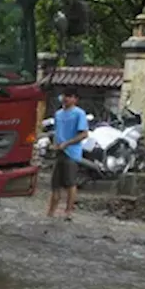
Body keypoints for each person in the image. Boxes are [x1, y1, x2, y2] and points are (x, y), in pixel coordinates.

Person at [48, 87, 89, 220]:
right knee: (55, 183)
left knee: (70, 183)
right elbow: (57, 132)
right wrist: (55, 145)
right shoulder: (58, 114)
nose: (66, 98)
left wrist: (67, 143)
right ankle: (51, 212)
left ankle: (68, 212)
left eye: (70, 96)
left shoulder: (79, 114)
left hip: (72, 153)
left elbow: (84, 134)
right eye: (65, 95)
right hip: (59, 151)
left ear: (75, 99)